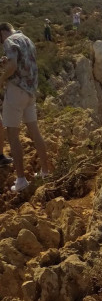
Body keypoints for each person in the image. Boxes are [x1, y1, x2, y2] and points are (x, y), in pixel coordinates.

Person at [0, 22, 51, 192]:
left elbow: (13, 66)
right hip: (30, 92)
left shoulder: (9, 41)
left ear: (3, 32)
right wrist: (6, 64)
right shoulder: (27, 39)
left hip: (16, 92)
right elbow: (24, 63)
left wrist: (1, 79)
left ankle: (21, 181)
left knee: (13, 135)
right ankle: (45, 172)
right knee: (35, 132)